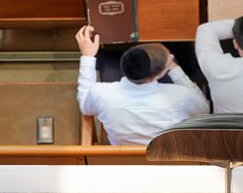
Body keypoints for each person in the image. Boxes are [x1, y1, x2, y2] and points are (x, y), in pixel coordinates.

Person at [74, 25, 210, 145]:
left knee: (108, 56)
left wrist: (88, 56)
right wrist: (174, 67)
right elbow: (203, 110)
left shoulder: (101, 93)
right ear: (156, 76)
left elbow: (85, 105)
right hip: (165, 157)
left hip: (125, 157)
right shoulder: (181, 96)